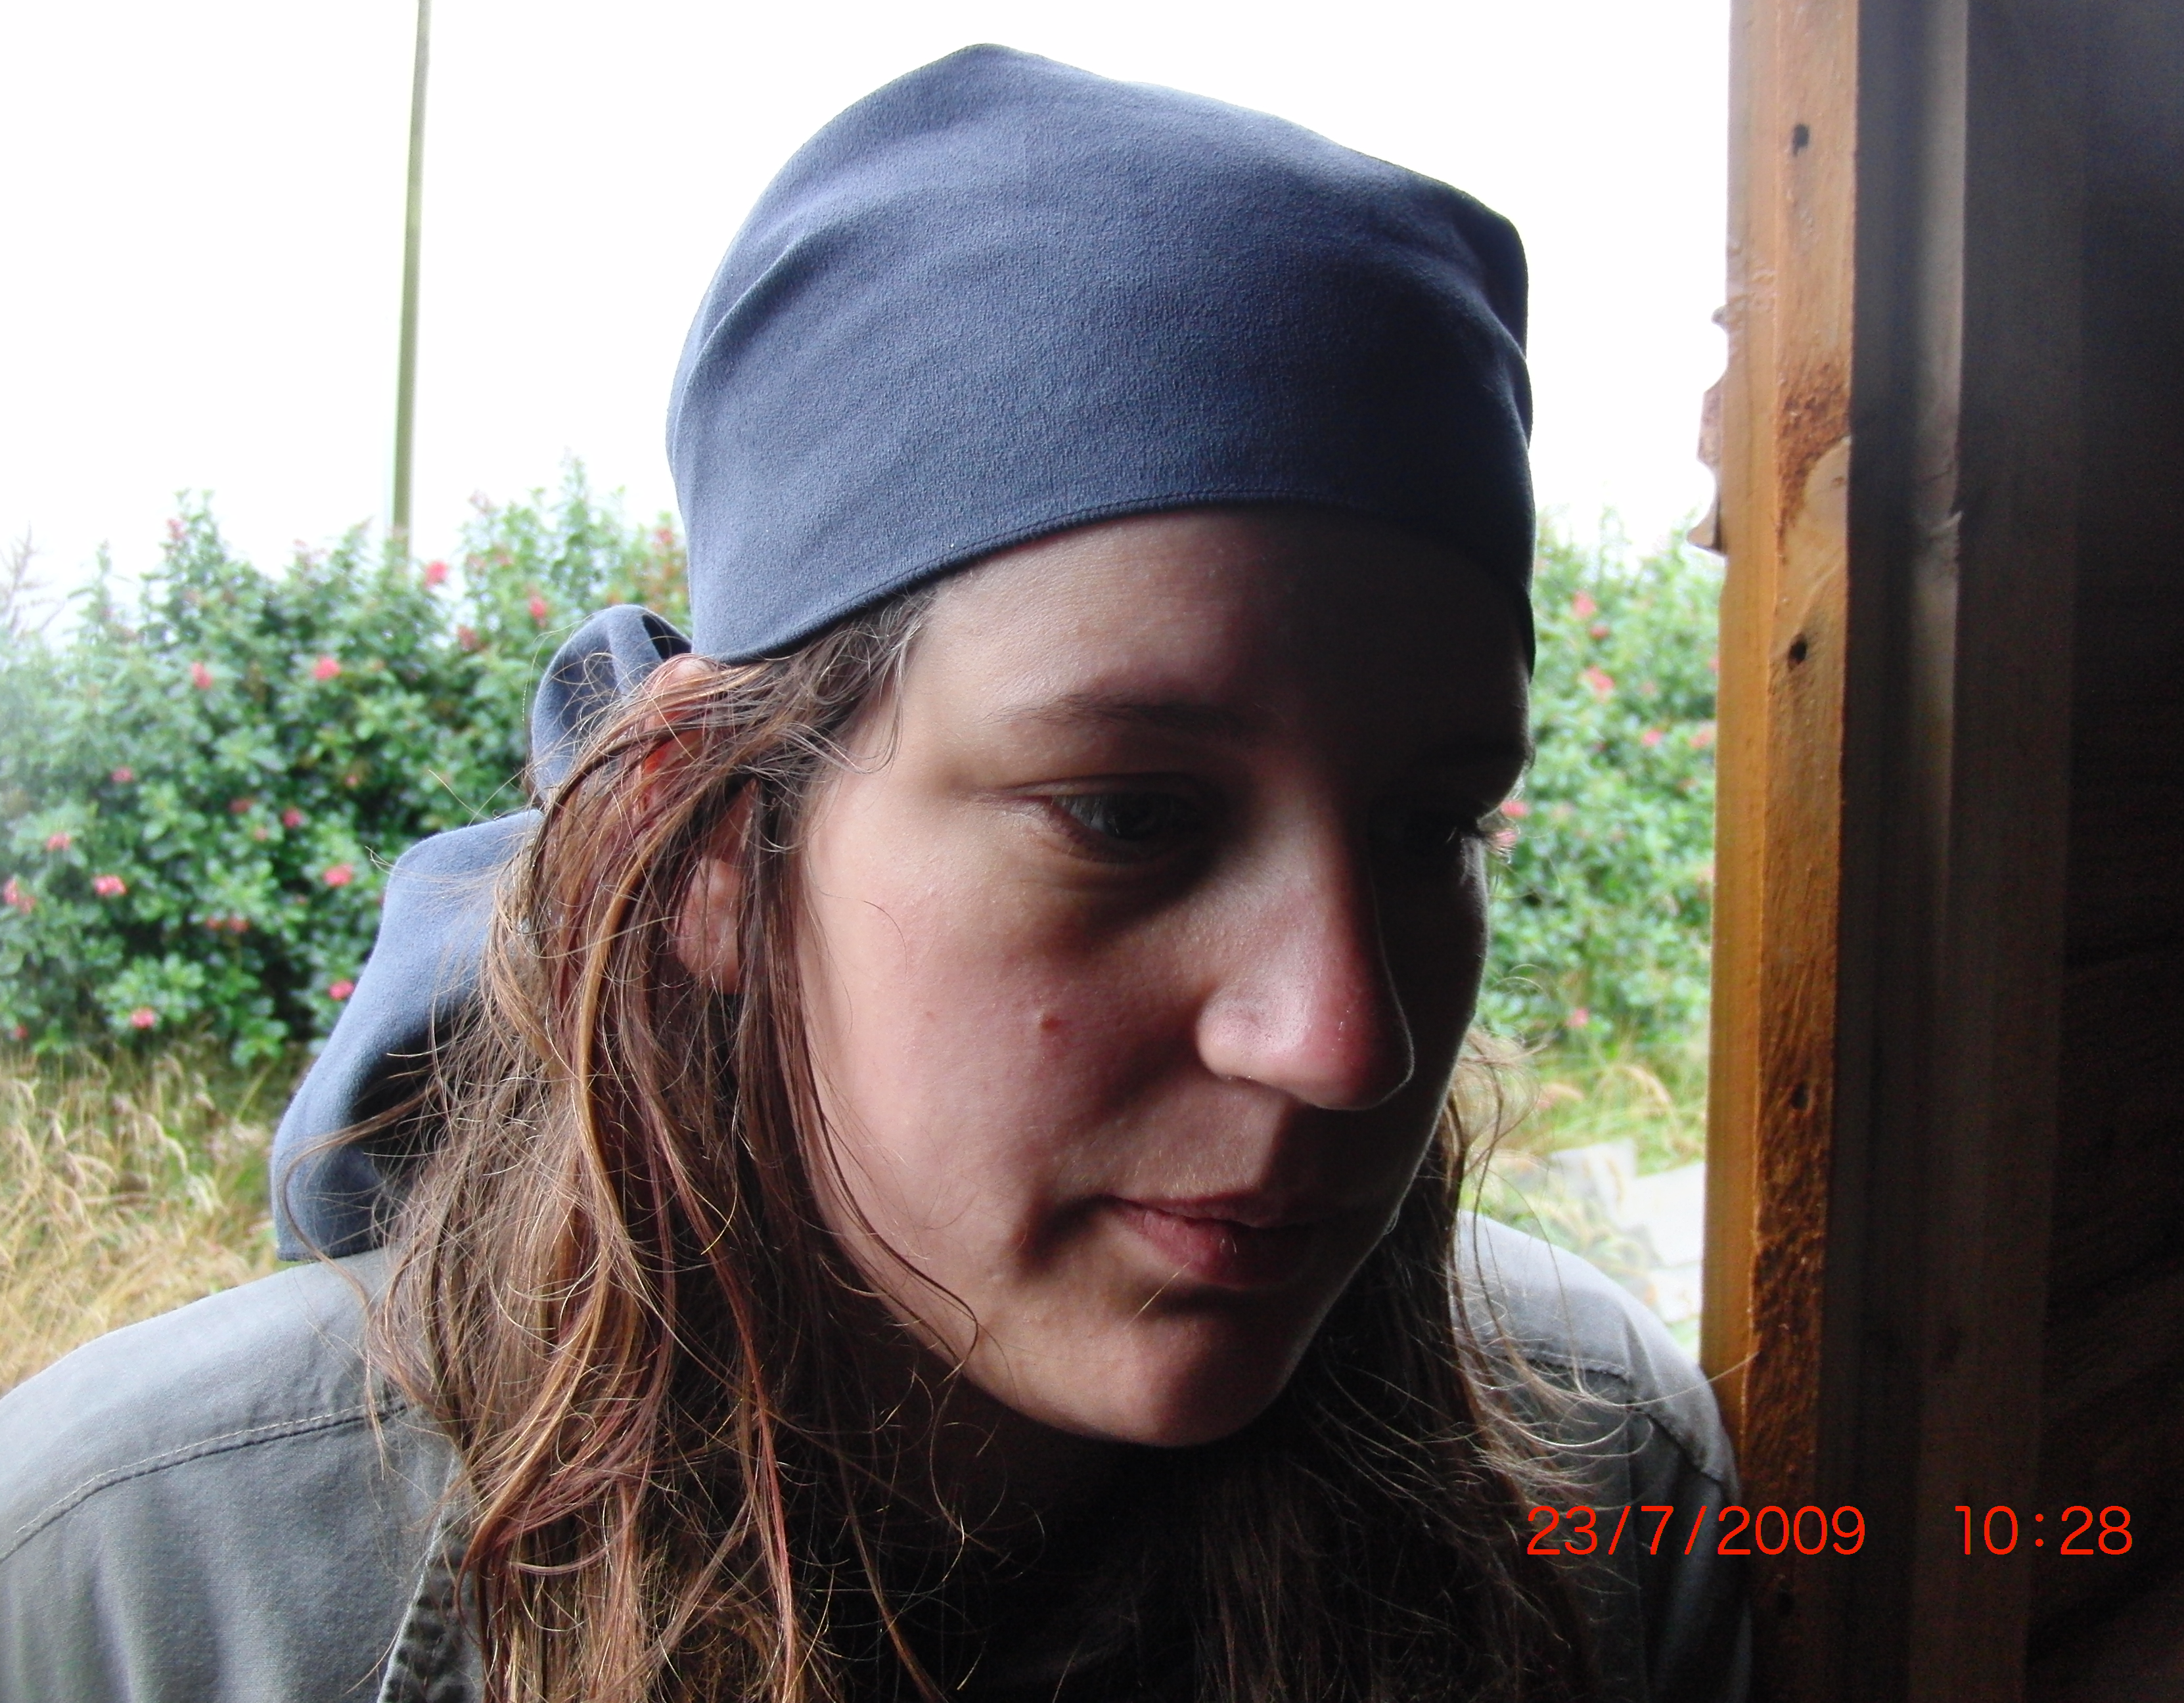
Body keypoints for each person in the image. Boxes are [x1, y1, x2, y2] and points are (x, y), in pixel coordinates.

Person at [0, 46, 1746, 1703]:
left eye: (1433, 829)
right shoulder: (129, 1588)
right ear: (713, 849)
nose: (1345, 1042)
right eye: (1128, 815)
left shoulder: (1607, 1501)